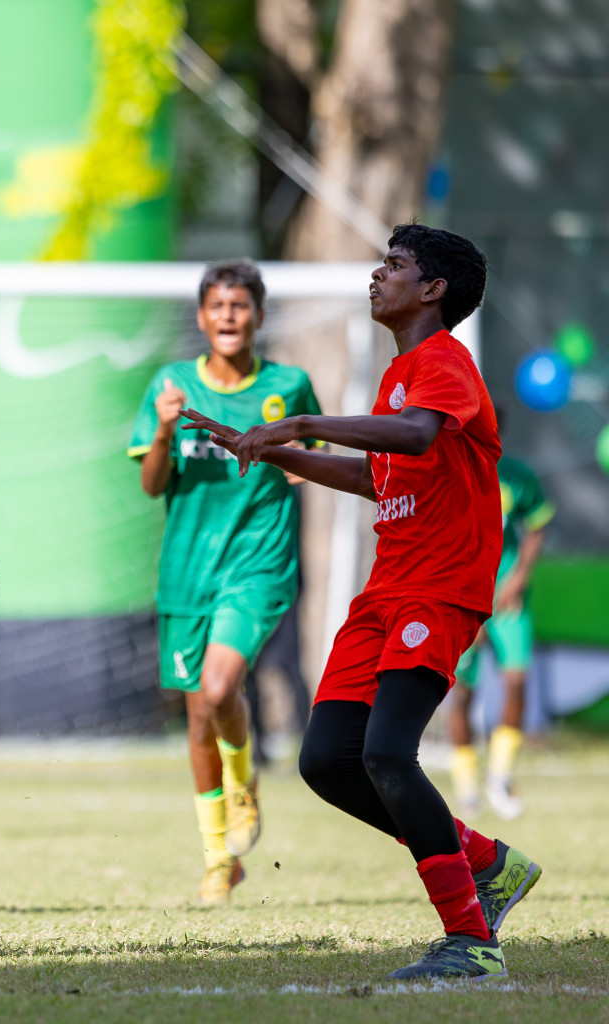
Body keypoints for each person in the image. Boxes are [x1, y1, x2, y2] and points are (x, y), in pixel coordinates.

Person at [181, 224, 541, 981]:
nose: (378, 276)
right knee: (328, 762)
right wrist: (266, 447)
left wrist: (304, 422)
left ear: (433, 289)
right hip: (385, 592)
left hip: (439, 588)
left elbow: (413, 439)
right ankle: (484, 861)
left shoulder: (444, 362)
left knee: (386, 754)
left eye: (396, 265)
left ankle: (471, 943)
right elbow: (383, 477)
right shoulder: (401, 373)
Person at [129, 260, 323, 904]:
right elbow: (152, 483)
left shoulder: (289, 385)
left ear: (260, 317)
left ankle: (245, 786)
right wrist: (161, 428)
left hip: (257, 564)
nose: (229, 315)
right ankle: (219, 859)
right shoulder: (173, 385)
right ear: (202, 317)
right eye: (218, 305)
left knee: (219, 687)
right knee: (197, 717)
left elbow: (310, 471)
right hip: (187, 570)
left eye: (241, 305)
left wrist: (283, 454)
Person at [449, 440, 553, 819]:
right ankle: (466, 789)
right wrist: (466, 603)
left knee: (516, 682)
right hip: (464, 598)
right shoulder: (450, 473)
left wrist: (519, 577)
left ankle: (501, 777)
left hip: (508, 597)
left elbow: (538, 523)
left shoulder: (517, 476)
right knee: (460, 693)